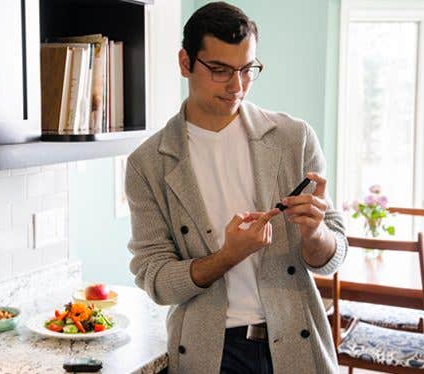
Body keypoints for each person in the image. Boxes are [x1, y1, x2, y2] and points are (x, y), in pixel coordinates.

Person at [125, 2, 347, 373]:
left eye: (248, 69)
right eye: (220, 70)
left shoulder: (294, 138)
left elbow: (334, 254)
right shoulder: (148, 164)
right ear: (185, 63)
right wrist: (228, 255)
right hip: (210, 353)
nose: (237, 86)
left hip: (297, 342)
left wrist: (315, 232)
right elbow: (157, 280)